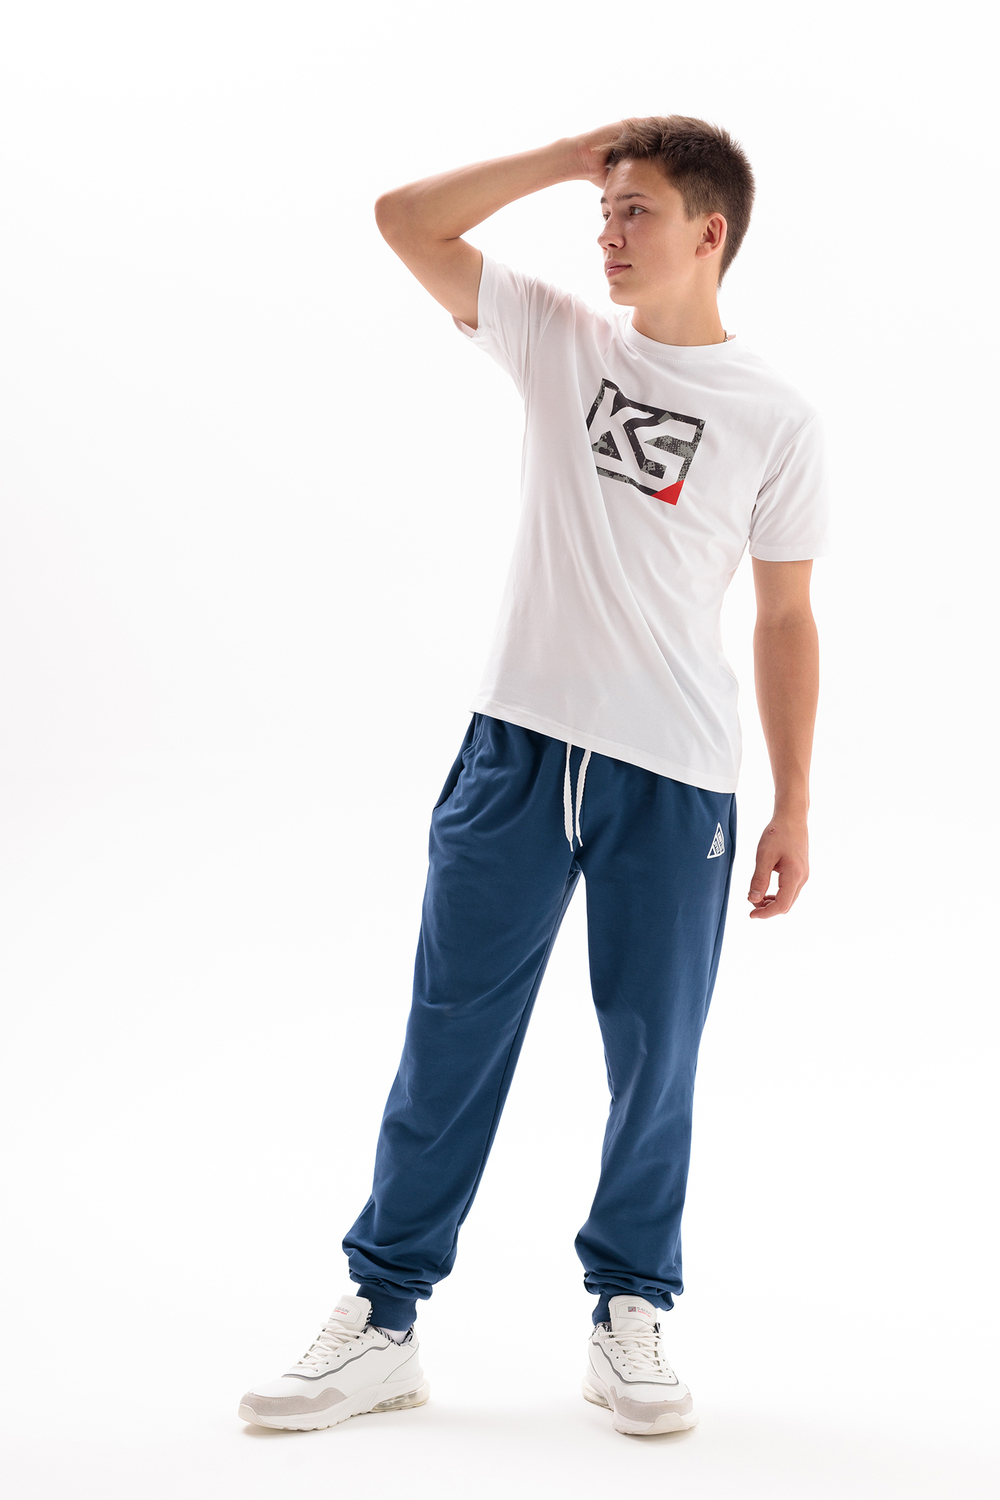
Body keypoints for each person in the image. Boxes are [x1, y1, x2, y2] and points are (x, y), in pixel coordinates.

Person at [238, 115, 831, 1438]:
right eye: (602, 212)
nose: (607, 234)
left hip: (674, 776)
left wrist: (794, 799)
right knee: (448, 1036)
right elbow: (405, 220)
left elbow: (786, 617)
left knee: (654, 1055)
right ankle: (382, 1317)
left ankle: (631, 1312)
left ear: (710, 234)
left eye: (636, 212)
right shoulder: (561, 337)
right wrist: (573, 156)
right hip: (515, 750)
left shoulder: (778, 417)